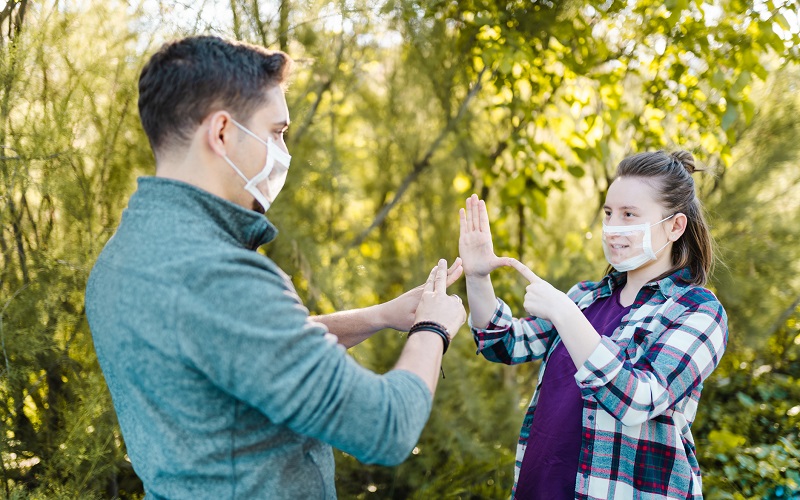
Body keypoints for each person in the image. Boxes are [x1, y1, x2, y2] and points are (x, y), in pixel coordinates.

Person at [85, 35, 466, 499]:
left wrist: (382, 316)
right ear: (222, 132)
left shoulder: (125, 252)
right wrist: (432, 328)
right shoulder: (217, 273)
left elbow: (241, 346)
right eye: (276, 132)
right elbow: (385, 427)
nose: (283, 151)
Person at [459, 151, 728, 499]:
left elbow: (637, 400)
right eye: (608, 213)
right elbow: (503, 343)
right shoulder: (585, 298)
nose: (613, 227)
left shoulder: (698, 311)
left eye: (629, 214)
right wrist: (478, 277)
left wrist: (564, 313)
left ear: (675, 226)